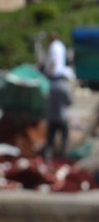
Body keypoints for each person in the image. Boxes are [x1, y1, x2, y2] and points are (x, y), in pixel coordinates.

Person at [43, 30, 74, 160]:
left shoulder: (51, 87)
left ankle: (47, 158)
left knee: (49, 141)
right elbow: (69, 102)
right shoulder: (65, 88)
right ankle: (63, 159)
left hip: (52, 117)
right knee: (64, 141)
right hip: (63, 118)